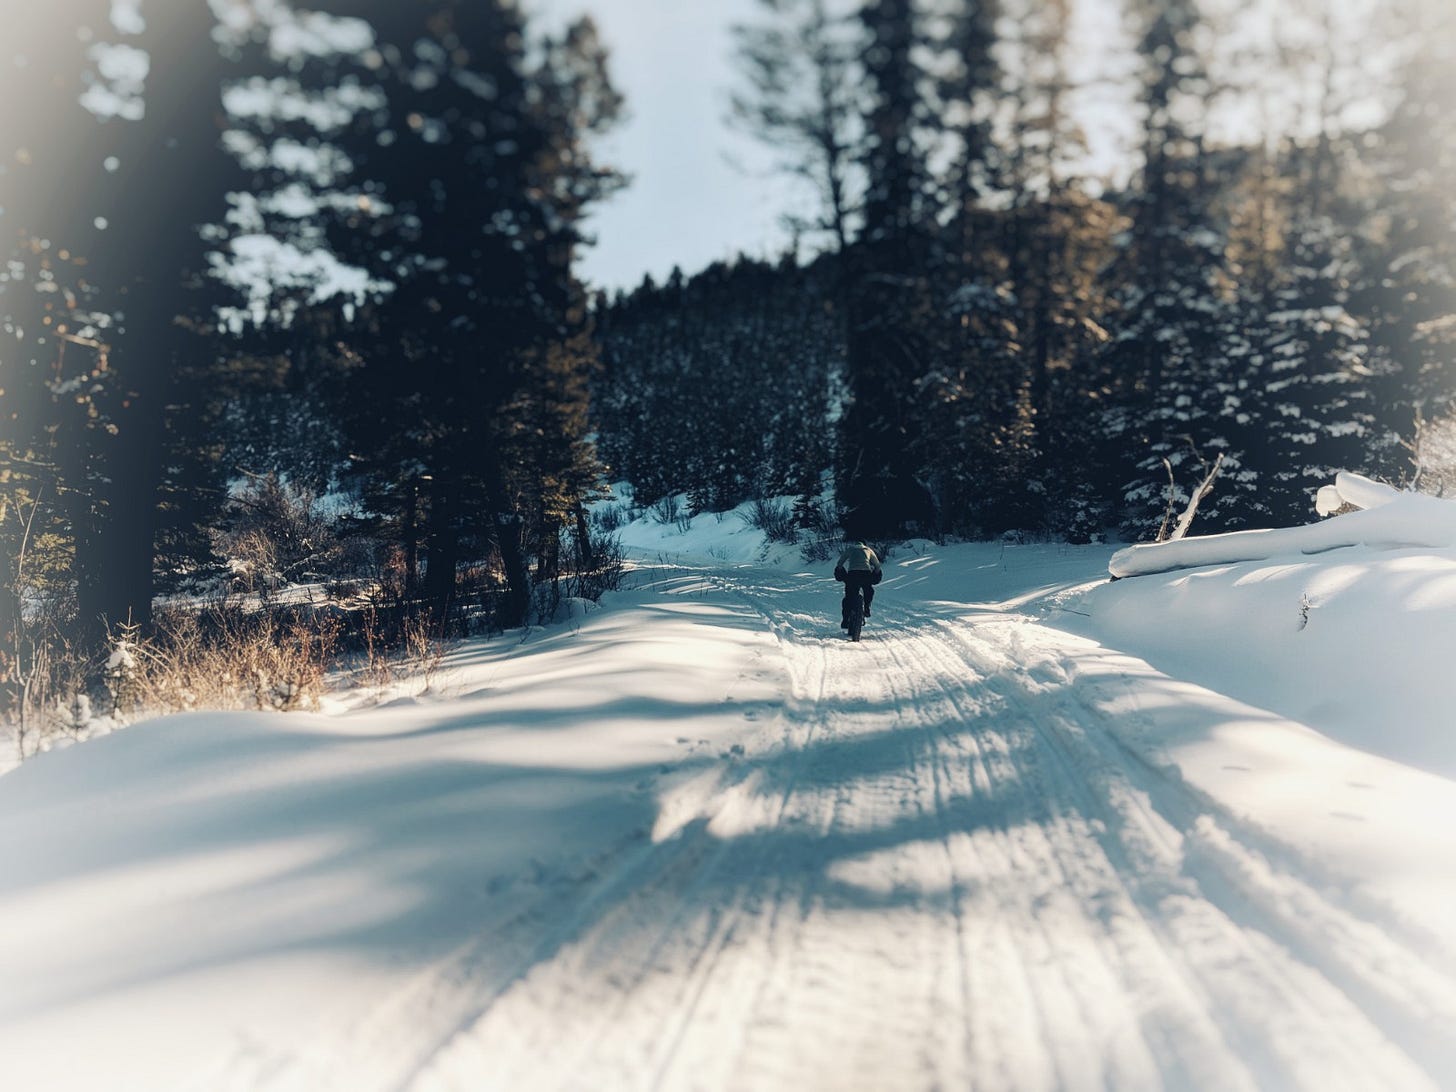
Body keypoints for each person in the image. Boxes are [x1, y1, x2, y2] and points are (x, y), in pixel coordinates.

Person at [833, 539, 882, 629]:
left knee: (848, 597)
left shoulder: (851, 549)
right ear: (864, 544)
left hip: (853, 574)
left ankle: (845, 620)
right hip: (866, 574)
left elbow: (840, 563)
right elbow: (877, 565)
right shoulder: (868, 550)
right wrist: (876, 574)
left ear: (855, 543)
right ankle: (866, 608)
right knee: (869, 590)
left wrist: (841, 572)